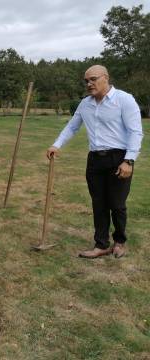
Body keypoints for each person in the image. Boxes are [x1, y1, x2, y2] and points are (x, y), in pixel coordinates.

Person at [47, 65, 143, 259]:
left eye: (93, 79)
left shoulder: (124, 100)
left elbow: (135, 132)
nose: (89, 84)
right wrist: (56, 145)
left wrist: (129, 161)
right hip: (95, 160)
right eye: (86, 81)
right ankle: (101, 244)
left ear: (105, 78)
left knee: (117, 204)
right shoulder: (85, 104)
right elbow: (71, 127)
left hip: (119, 158)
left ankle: (119, 242)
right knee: (98, 203)